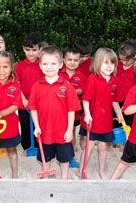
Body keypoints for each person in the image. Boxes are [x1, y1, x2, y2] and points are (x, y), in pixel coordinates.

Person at [28, 46, 81, 179]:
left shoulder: (67, 86)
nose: (49, 67)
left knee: (64, 158)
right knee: (45, 157)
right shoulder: (37, 86)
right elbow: (33, 108)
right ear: (40, 65)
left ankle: (64, 179)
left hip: (62, 132)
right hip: (44, 131)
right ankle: (45, 177)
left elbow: (71, 110)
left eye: (53, 63)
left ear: (60, 64)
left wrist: (69, 130)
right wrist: (37, 126)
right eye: (45, 63)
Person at [78, 48, 123, 179]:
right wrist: (87, 114)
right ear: (98, 63)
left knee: (103, 148)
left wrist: (119, 113)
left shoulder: (115, 81)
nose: (109, 66)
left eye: (112, 63)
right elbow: (85, 99)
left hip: (106, 121)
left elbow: (115, 101)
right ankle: (82, 170)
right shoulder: (92, 79)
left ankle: (101, 171)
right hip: (91, 120)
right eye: (106, 63)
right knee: (89, 146)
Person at [15, 35, 44, 154]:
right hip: (24, 103)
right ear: (23, 49)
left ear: (40, 49)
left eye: (34, 50)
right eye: (28, 50)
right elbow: (17, 84)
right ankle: (27, 146)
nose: (31, 53)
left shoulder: (43, 65)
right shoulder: (19, 66)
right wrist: (24, 100)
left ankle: (39, 145)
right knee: (25, 125)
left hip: (40, 103)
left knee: (39, 124)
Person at [59, 47, 85, 168]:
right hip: (58, 110)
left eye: (75, 60)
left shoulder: (81, 75)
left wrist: (68, 91)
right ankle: (60, 155)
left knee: (72, 132)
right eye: (69, 59)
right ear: (63, 60)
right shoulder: (58, 73)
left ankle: (71, 156)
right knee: (59, 131)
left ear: (80, 61)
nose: (72, 62)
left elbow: (81, 90)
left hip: (74, 111)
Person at [114, 40, 136, 129]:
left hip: (131, 101)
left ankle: (128, 141)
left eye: (127, 60)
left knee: (130, 123)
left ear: (135, 56)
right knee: (116, 123)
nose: (124, 62)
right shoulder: (116, 65)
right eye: (121, 59)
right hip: (116, 100)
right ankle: (117, 142)